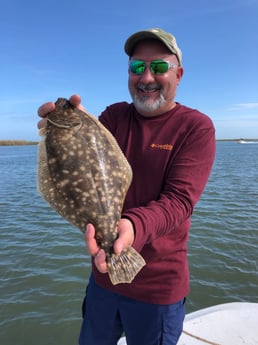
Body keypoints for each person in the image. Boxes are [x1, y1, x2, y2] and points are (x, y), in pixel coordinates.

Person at [38, 28, 216, 345]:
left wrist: (132, 226)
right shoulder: (114, 116)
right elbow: (81, 165)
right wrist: (57, 136)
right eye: (137, 67)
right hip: (103, 281)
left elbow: (179, 202)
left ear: (179, 73)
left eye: (159, 67)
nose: (146, 77)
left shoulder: (196, 127)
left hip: (158, 290)